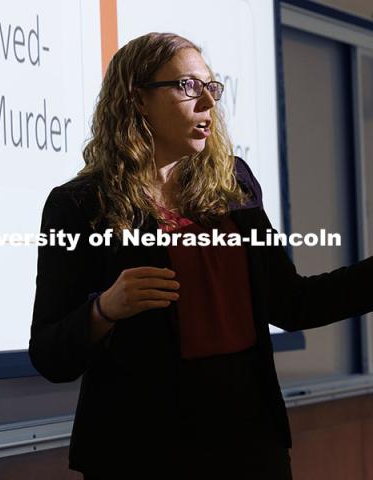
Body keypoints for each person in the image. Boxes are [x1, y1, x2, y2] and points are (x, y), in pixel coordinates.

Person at [29, 32, 373, 479]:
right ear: (137, 99)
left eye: (213, 88)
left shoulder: (233, 185)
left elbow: (292, 303)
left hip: (250, 443)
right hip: (143, 453)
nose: (208, 103)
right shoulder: (80, 204)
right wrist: (103, 310)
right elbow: (49, 353)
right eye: (189, 87)